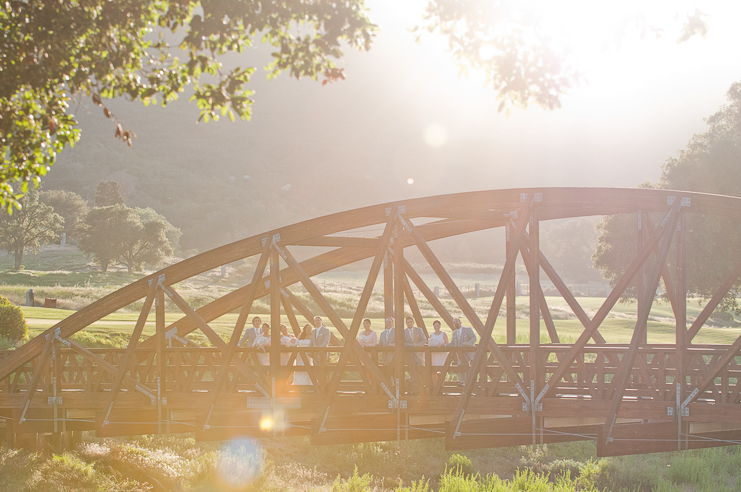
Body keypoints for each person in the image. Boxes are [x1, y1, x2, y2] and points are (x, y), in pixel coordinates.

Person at [447, 318, 476, 386]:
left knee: (468, 367)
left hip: (469, 352)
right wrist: (444, 345)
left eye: (457, 321)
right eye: (454, 322)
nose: (455, 323)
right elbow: (452, 343)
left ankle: (467, 382)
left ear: (460, 322)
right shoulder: (454, 333)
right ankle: (464, 382)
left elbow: (474, 338)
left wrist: (468, 343)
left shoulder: (467, 329)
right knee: (460, 365)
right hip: (460, 353)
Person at [428, 320, 449, 385]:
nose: (436, 327)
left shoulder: (443, 334)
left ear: (440, 326)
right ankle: (436, 387)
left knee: (442, 371)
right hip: (434, 355)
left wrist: (442, 345)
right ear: (433, 326)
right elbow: (429, 343)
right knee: (433, 371)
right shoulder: (431, 335)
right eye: (435, 325)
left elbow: (447, 343)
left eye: (438, 325)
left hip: (442, 354)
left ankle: (441, 387)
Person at [310, 316, 331, 382]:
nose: (317, 322)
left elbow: (326, 341)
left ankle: (324, 382)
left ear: (321, 321)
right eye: (316, 320)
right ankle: (318, 382)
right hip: (315, 353)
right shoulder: (313, 331)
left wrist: (319, 348)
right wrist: (310, 351)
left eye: (318, 320)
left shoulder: (326, 330)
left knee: (323, 368)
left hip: (323, 353)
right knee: (316, 368)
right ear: (314, 322)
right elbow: (312, 342)